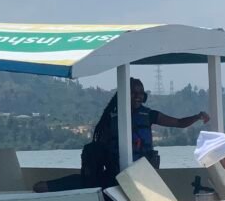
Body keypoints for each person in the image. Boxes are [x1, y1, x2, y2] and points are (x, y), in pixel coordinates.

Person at [34, 78, 210, 192]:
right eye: (134, 93)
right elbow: (101, 149)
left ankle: (45, 186)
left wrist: (197, 116)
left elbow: (178, 123)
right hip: (117, 174)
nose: (138, 97)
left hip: (143, 171)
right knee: (87, 183)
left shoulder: (148, 115)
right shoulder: (111, 119)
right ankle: (46, 187)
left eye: (141, 94)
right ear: (124, 94)